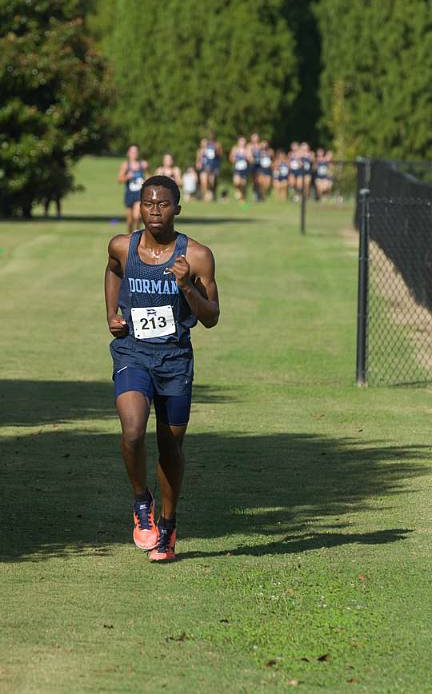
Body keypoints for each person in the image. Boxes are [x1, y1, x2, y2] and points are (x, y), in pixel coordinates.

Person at [103, 174, 221, 562]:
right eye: (148, 204)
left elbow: (211, 317)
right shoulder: (124, 246)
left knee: (171, 448)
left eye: (163, 204)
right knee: (133, 431)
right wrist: (111, 313)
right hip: (133, 352)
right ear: (140, 207)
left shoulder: (197, 256)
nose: (155, 211)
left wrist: (187, 286)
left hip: (174, 359)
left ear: (177, 209)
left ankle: (167, 527)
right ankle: (141, 502)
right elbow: (113, 269)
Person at [117, 144, 148, 233]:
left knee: (137, 216)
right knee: (130, 220)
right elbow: (119, 179)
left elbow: (150, 176)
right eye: (132, 152)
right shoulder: (126, 165)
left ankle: (137, 232)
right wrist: (127, 176)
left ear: (138, 153)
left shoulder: (143, 164)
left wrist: (145, 181)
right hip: (129, 194)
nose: (134, 154)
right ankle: (130, 234)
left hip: (140, 193)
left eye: (136, 151)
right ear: (128, 153)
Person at [230, 136, 251, 202]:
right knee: (236, 182)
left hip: (244, 169)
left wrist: (247, 157)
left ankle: (242, 197)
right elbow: (231, 158)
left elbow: (250, 159)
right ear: (238, 142)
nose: (242, 142)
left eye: (243, 141)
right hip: (237, 168)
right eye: (241, 141)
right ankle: (237, 191)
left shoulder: (247, 149)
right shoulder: (235, 149)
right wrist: (234, 159)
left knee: (243, 184)